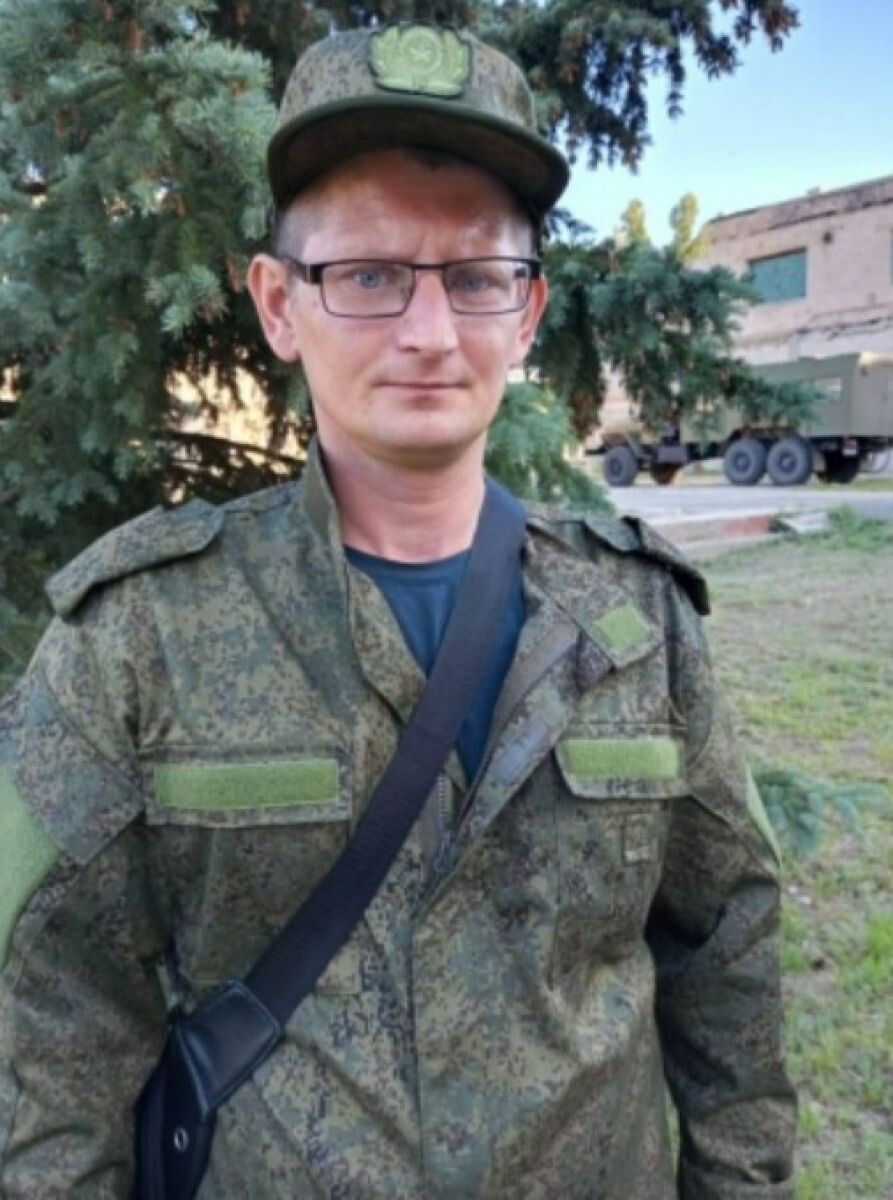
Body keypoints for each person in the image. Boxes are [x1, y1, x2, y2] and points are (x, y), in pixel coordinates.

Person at [0, 22, 796, 1199]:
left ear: (525, 313)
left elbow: (727, 956)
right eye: (368, 275)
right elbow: (53, 1023)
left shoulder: (640, 624)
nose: (428, 333)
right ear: (279, 304)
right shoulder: (134, 635)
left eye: (474, 277)